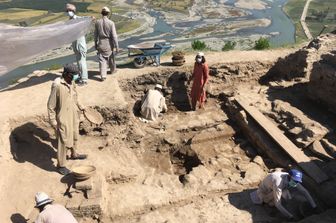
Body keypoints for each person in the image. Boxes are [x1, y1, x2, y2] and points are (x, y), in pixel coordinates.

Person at [47, 64, 87, 175]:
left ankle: (74, 154)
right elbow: (51, 106)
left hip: (74, 113)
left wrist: (81, 106)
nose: (76, 77)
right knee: (63, 140)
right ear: (67, 75)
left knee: (75, 135)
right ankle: (61, 165)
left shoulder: (72, 82)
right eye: (74, 75)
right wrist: (53, 122)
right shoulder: (57, 85)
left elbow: (75, 96)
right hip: (63, 117)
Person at [250, 169, 317, 219]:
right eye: (295, 181)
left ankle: (284, 205)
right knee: (272, 203)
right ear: (290, 177)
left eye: (298, 181)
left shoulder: (292, 178)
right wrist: (290, 217)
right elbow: (278, 204)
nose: (296, 183)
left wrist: (314, 206)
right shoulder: (278, 183)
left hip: (275, 187)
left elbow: (304, 191)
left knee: (287, 196)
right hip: (264, 191)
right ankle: (266, 202)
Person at [94, 6, 119, 81]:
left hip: (101, 43)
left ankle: (103, 76)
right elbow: (114, 36)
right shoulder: (111, 23)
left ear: (102, 13)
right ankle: (113, 70)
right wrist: (117, 46)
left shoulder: (97, 22)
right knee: (111, 57)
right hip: (109, 43)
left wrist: (95, 43)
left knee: (102, 60)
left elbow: (95, 35)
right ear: (108, 14)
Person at [66, 3, 88, 86]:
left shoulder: (78, 19)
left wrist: (91, 18)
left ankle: (84, 80)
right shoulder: (70, 21)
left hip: (80, 45)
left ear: (73, 11)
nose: (69, 12)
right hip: (76, 45)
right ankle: (81, 77)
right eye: (68, 11)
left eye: (70, 10)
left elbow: (86, 18)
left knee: (82, 62)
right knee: (79, 62)